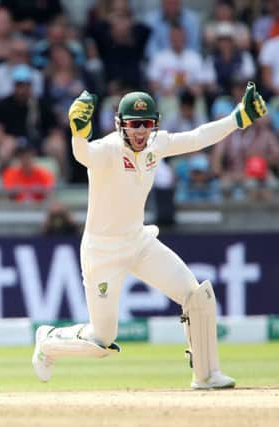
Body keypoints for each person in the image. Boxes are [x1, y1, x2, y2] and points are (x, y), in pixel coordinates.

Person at [32, 81, 267, 389]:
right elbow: (83, 155)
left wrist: (239, 118)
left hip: (139, 242)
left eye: (146, 124)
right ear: (121, 125)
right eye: (133, 125)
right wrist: (78, 132)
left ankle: (206, 375)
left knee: (196, 297)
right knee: (101, 340)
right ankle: (48, 341)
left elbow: (197, 138)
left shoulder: (157, 145)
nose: (141, 132)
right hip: (102, 252)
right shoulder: (106, 150)